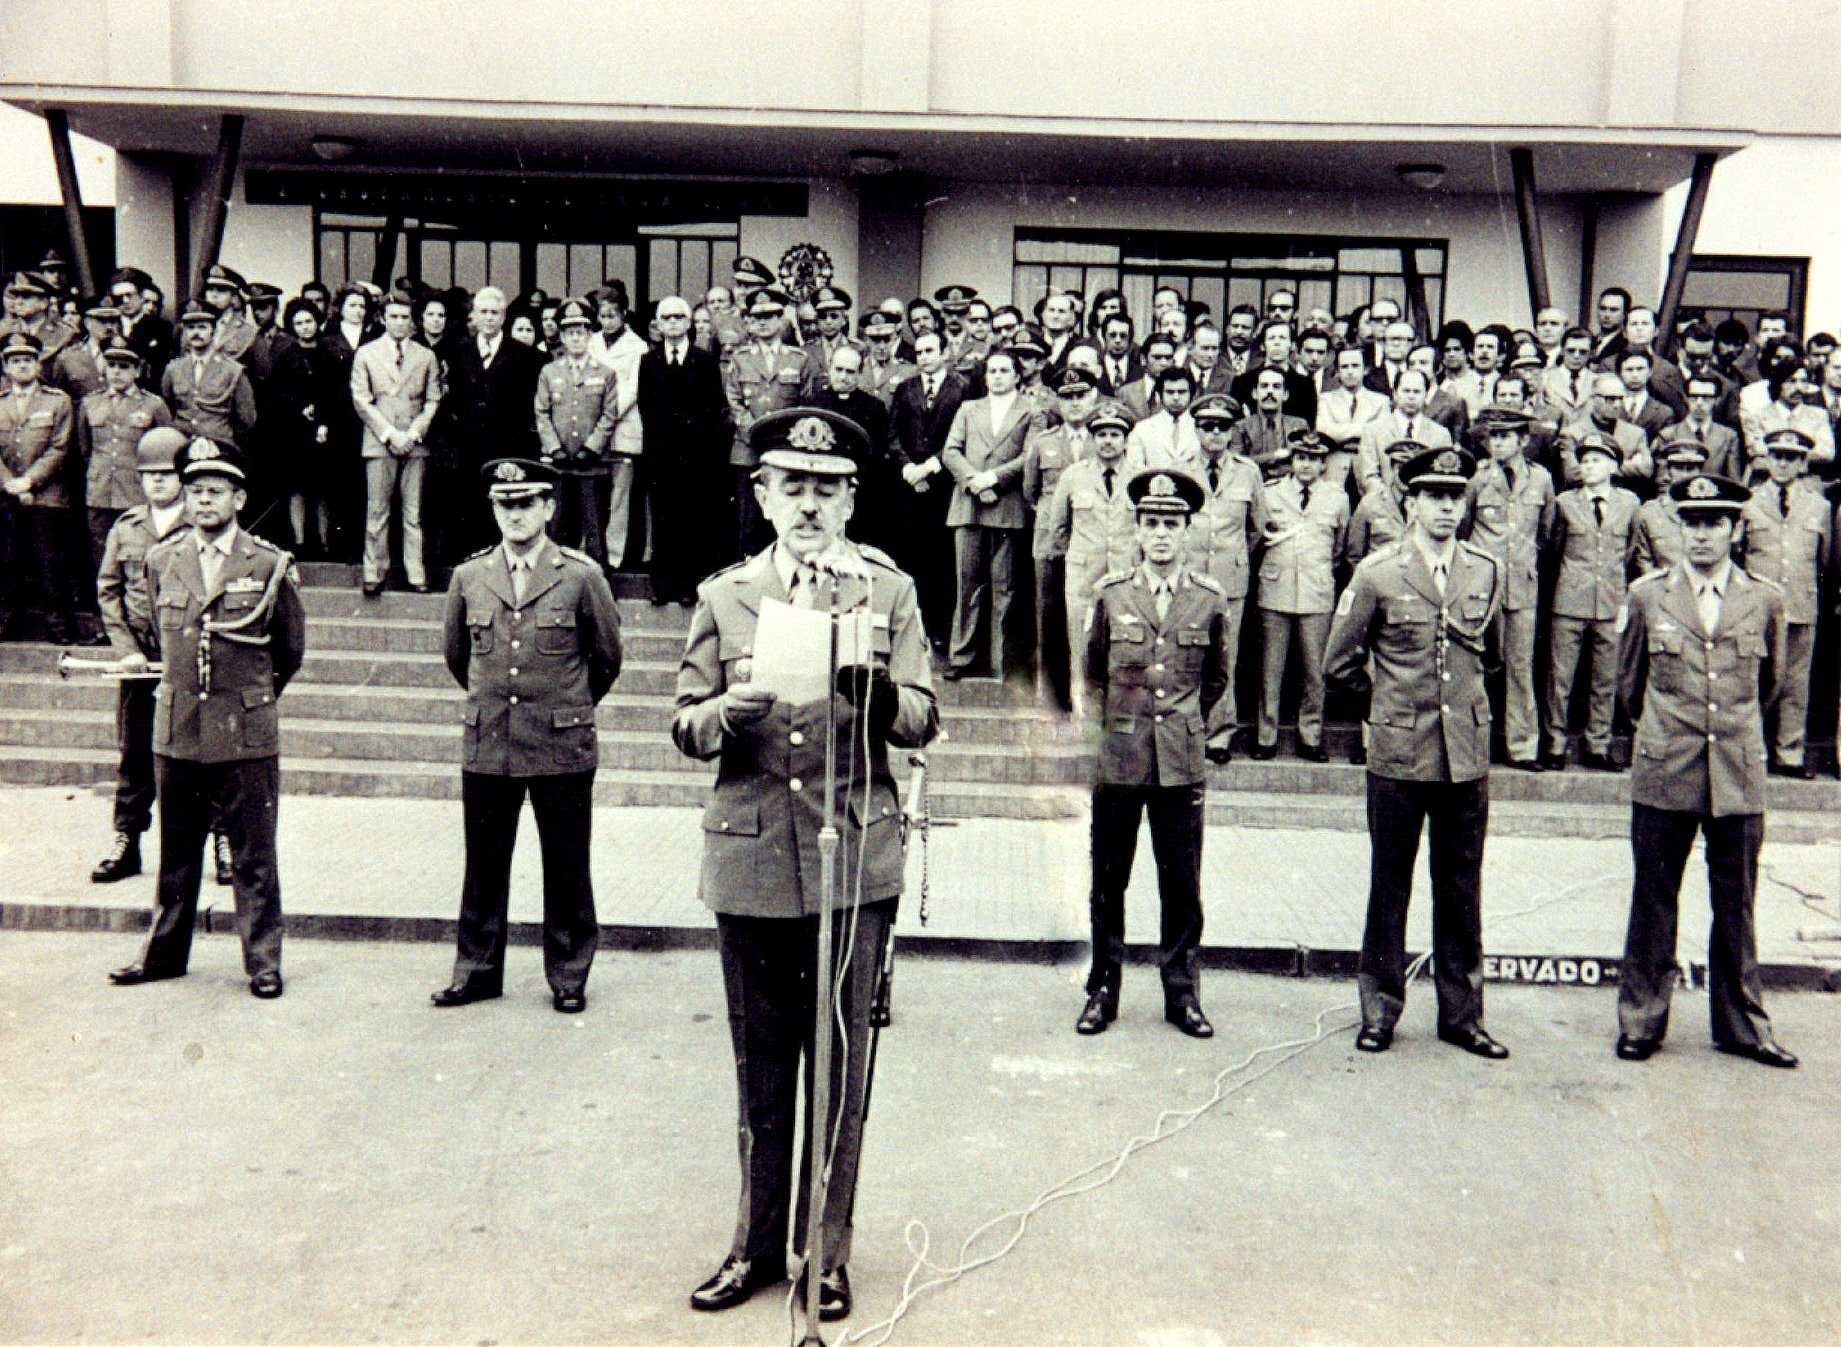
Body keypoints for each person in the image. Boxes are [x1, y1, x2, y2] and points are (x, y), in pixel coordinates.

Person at [675, 407, 938, 1323]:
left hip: (850, 859)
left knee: (839, 1068)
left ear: (852, 498)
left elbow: (921, 718)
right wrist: (726, 714)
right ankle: (752, 1245)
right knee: (759, 1068)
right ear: (764, 496)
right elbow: (683, 721)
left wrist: (874, 695)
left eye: (828, 489)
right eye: (793, 486)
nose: (811, 504)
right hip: (749, 856)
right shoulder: (725, 595)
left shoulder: (887, 592)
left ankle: (824, 1253)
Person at [1324, 445, 1509, 1059]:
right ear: (1411, 502)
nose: (1446, 507)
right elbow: (1340, 663)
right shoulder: (1379, 572)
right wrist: (1387, 705)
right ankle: (1380, 1008)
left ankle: (1463, 1015)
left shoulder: (1484, 569)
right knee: (1390, 886)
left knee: (1461, 889)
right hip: (1400, 755)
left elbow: (1494, 656)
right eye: (1434, 495)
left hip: (1464, 755)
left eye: (1456, 496)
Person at [106, 439, 306, 999]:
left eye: (215, 492)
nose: (203, 503)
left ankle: (263, 961)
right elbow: (158, 636)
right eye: (194, 492)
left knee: (253, 855)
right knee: (177, 854)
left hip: (244, 731)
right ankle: (165, 954)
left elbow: (289, 651)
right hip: (179, 728)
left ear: (239, 498)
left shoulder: (267, 562)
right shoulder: (161, 559)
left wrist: (248, 700)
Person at [1612, 472, 1797, 1069]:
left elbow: (1769, 687)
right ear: (1677, 528)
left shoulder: (1765, 598)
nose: (1701, 536)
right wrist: (1666, 733)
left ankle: (1742, 1025)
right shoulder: (1647, 595)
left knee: (1737, 902)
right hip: (1667, 766)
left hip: (1737, 771)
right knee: (1653, 899)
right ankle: (1641, 1021)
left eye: (1714, 522)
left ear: (1735, 528)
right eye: (1691, 522)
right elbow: (1627, 685)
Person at [432, 457, 622, 1013]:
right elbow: (457, 657)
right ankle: (477, 970)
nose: (514, 515)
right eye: (503, 505)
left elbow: (607, 657)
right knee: (483, 865)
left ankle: (568, 974)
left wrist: (568, 708)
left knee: (566, 864)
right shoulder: (470, 576)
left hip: (560, 744)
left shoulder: (580, 575)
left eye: (525, 504)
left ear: (547, 508)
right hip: (490, 741)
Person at [1076, 468, 1234, 1039]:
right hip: (1119, 759)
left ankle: (1183, 996)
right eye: (1152, 523)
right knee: (1108, 883)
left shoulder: (1209, 599)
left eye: (1172, 523)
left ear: (1187, 531)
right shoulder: (1113, 593)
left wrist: (1189, 725)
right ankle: (1102, 991)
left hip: (1179, 762)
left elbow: (1217, 678)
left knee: (1181, 887)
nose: (1162, 534)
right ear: (1138, 531)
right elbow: (1092, 672)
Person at [90, 427, 193, 882]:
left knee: (200, 756)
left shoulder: (200, 524)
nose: (156, 483)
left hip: (189, 663)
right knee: (135, 755)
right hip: (141, 663)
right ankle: (127, 840)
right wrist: (127, 651)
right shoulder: (127, 527)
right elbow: (108, 591)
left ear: (183, 478)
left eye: (166, 474)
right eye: (148, 474)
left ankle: (222, 843)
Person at [1461, 407, 1554, 769]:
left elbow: (1545, 533)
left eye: (1505, 436)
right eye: (1492, 436)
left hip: (1522, 587)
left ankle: (1523, 746)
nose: (1496, 443)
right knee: (1476, 667)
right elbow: (1463, 530)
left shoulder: (1541, 479)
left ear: (1523, 440)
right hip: (1482, 589)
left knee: (1520, 667)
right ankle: (1472, 743)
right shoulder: (1477, 479)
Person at [1737, 429, 1830, 778]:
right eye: (1777, 456)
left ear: (1803, 463)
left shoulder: (1818, 507)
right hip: (1757, 608)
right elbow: (1740, 554)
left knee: (1795, 682)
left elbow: (1823, 561)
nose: (1783, 463)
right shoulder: (1749, 502)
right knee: (1754, 678)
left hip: (1800, 605)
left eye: (1791, 457)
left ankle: (1789, 752)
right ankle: (1752, 752)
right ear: (1767, 459)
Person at [1544, 435, 1639, 771]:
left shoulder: (1629, 504)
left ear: (1613, 466)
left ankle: (1598, 744)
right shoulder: (1564, 502)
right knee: (1561, 677)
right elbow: (1554, 548)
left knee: (1605, 678)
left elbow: (1631, 551)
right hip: (1570, 600)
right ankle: (1555, 743)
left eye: (1597, 460)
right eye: (1584, 461)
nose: (1588, 467)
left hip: (1611, 601)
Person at [1251, 431, 1347, 761]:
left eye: (1314, 459)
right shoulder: (1271, 493)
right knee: (1270, 669)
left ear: (1323, 464)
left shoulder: (1337, 497)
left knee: (1314, 670)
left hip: (1316, 590)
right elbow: (1260, 535)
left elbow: (1338, 547)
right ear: (1291, 461)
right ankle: (1266, 736)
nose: (1307, 465)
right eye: (1301, 458)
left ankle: (1311, 736)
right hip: (1275, 588)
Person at [1041, 400, 1140, 716]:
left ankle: (1121, 714)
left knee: (1125, 647)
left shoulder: (1140, 479)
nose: (1108, 441)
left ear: (1125, 439)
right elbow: (1058, 528)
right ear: (1093, 439)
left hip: (1126, 578)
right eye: (1101, 434)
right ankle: (1084, 715)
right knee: (1082, 649)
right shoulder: (1073, 476)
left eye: (1115, 434)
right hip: (1084, 579)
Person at [941, 347, 1034, 679]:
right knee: (967, 584)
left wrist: (993, 478)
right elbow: (950, 450)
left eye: (1004, 371)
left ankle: (1001, 660)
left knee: (1004, 587)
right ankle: (962, 657)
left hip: (1007, 508)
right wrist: (974, 481)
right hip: (969, 505)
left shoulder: (1031, 410)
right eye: (992, 371)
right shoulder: (969, 408)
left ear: (1017, 375)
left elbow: (1029, 456)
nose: (997, 377)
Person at [1183, 393, 1265, 757]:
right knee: (1186, 653)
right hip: (1189, 576)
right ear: (1196, 429)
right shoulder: (1180, 468)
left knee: (1224, 658)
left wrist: (1232, 558)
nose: (1214, 434)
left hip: (1229, 580)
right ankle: (1185, 729)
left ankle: (1219, 734)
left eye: (1222, 427)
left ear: (1232, 432)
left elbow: (1257, 528)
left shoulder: (1247, 471)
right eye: (1207, 427)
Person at [638, 294, 733, 605]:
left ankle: (689, 586)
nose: (673, 323)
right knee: (663, 521)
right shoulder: (648, 361)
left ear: (690, 322)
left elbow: (713, 409)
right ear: (658, 325)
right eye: (667, 318)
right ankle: (663, 586)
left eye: (679, 317)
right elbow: (646, 408)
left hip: (696, 458)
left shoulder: (704, 361)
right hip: (662, 457)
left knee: (692, 520)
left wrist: (699, 448)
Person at [351, 291, 443, 594]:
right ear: (382, 318)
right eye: (393, 316)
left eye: (405, 317)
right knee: (377, 510)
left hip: (415, 442)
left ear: (412, 321)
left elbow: (432, 399)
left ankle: (415, 572)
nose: (399, 323)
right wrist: (390, 434)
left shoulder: (425, 355)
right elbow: (361, 400)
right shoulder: (366, 353)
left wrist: (413, 434)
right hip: (380, 441)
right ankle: (374, 572)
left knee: (412, 513)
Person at [446, 286, 546, 558]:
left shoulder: (524, 355)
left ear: (504, 317)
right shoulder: (457, 351)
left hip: (506, 446)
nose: (489, 318)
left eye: (495, 312)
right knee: (469, 505)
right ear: (474, 316)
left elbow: (529, 404)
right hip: (468, 447)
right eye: (483, 312)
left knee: (502, 506)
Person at [1022, 368, 1099, 708]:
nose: (1074, 403)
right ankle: (1051, 696)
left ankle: (1088, 695)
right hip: (1051, 542)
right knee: (1050, 617)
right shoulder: (1044, 442)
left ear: (1092, 398)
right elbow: (1030, 492)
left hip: (1093, 540)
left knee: (1091, 621)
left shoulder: (1105, 437)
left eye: (1080, 395)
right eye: (1067, 397)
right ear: (1056, 400)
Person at [725, 289, 821, 558]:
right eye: (758, 317)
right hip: (747, 451)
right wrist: (756, 434)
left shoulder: (799, 359)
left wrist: (780, 438)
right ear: (751, 323)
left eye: (770, 316)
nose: (764, 322)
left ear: (781, 320)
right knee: (748, 524)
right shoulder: (741, 359)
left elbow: (806, 404)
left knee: (785, 518)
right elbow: (734, 404)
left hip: (786, 450)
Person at [0, 331, 81, 643]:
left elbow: (60, 448)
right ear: (6, 367)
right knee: (7, 560)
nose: (22, 366)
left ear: (38, 365)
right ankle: (7, 621)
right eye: (15, 360)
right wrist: (10, 483)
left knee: (50, 562)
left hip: (46, 494)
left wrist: (30, 481)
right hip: (5, 494)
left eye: (28, 360)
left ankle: (58, 625)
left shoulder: (57, 401)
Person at [888, 329, 968, 643]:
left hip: (944, 482)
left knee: (941, 556)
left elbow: (961, 434)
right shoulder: (905, 388)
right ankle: (910, 627)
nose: (924, 357)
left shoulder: (961, 387)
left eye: (930, 351)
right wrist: (908, 466)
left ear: (944, 352)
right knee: (910, 553)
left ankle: (938, 629)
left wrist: (931, 466)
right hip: (909, 484)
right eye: (919, 352)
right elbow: (893, 433)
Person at [533, 297, 620, 568]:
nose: (575, 339)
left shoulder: (605, 373)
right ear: (561, 336)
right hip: (560, 465)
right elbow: (541, 413)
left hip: (591, 465)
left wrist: (591, 448)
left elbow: (609, 414)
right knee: (558, 529)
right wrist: (554, 448)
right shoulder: (549, 372)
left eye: (580, 333)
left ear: (589, 335)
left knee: (594, 530)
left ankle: (598, 587)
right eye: (569, 333)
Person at [75, 335, 173, 567]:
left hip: (135, 491)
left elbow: (166, 446)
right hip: (100, 490)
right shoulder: (90, 403)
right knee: (101, 550)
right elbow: (84, 448)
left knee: (138, 550)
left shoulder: (153, 405)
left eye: (124, 367)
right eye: (112, 366)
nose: (117, 372)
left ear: (137, 371)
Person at [587, 281, 648, 569]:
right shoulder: (591, 342)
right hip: (594, 430)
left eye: (613, 315)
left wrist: (608, 415)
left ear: (624, 314)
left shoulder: (638, 346)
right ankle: (592, 551)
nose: (607, 321)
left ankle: (615, 555)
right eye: (603, 315)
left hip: (623, 428)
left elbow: (633, 388)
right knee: (593, 495)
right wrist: (596, 418)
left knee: (620, 497)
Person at [161, 299, 258, 449]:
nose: (196, 333)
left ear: (213, 330)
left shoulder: (232, 370)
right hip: (182, 444)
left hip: (219, 445)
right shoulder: (173, 369)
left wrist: (223, 438)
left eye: (202, 327)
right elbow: (167, 407)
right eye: (191, 328)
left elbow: (246, 418)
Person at [1632, 441, 1705, 575]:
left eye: (1690, 469)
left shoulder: (1711, 510)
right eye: (1678, 468)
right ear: (1669, 471)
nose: (1684, 475)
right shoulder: (1651, 512)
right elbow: (1643, 560)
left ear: (1700, 472)